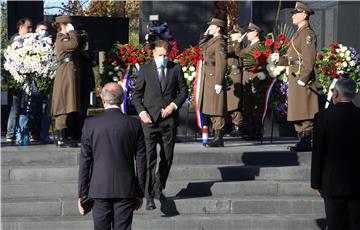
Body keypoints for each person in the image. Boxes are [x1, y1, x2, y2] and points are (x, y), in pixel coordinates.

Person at [78, 83, 146, 230]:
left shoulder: (90, 124)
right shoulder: (134, 124)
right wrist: (140, 192)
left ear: (103, 99)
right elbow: (141, 161)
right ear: (122, 100)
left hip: (99, 188)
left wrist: (82, 195)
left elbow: (85, 162)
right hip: (126, 189)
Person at [133, 40, 188, 210]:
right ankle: (148, 195)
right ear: (154, 54)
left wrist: (173, 105)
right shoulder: (145, 70)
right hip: (149, 121)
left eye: (165, 56)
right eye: (159, 55)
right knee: (150, 158)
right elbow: (136, 95)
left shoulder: (175, 69)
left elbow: (183, 91)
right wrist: (142, 112)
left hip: (168, 121)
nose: (162, 58)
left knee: (167, 156)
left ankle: (159, 187)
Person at [311, 78, 360, 230]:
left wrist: (316, 182)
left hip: (331, 182)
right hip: (357, 182)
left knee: (335, 225)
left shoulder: (323, 117)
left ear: (336, 93)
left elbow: (318, 152)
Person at [270, 1, 318, 152]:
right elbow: (293, 58)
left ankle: (306, 141)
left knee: (305, 111)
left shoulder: (307, 34)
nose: (292, 16)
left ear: (304, 15)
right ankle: (302, 140)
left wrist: (304, 78)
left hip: (301, 77)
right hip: (295, 75)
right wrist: (280, 59)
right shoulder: (299, 33)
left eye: (295, 13)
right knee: (298, 110)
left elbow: (309, 60)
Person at [198, 18, 227, 147]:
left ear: (218, 28)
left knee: (217, 108)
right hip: (207, 77)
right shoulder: (211, 40)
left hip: (214, 76)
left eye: (212, 26)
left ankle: (218, 138)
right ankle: (216, 137)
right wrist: (205, 34)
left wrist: (219, 82)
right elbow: (201, 46)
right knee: (210, 107)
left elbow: (221, 63)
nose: (210, 27)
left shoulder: (220, 42)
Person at [51, 16, 80, 147]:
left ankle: (65, 135)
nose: (70, 27)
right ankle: (61, 137)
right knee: (64, 102)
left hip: (68, 71)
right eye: (68, 24)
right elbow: (74, 45)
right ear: (63, 25)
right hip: (65, 73)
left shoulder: (64, 38)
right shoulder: (61, 38)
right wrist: (72, 32)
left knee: (68, 102)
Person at [5, 18, 32, 142]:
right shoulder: (14, 40)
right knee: (15, 106)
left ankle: (23, 132)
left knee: (26, 107)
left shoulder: (32, 41)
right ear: (21, 27)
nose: (30, 30)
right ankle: (10, 133)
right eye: (28, 27)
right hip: (16, 79)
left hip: (29, 79)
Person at [239, 22, 264, 141]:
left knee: (255, 107)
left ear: (255, 33)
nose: (247, 34)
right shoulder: (249, 46)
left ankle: (256, 131)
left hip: (254, 78)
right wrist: (239, 41)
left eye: (249, 32)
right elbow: (238, 53)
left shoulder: (259, 46)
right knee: (248, 106)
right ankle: (251, 130)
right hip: (247, 78)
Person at [227, 25, 245, 137]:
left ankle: (238, 125)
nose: (231, 35)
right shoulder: (232, 45)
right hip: (229, 75)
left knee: (235, 103)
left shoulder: (238, 46)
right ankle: (233, 124)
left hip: (235, 75)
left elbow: (229, 50)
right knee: (230, 103)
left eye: (234, 33)